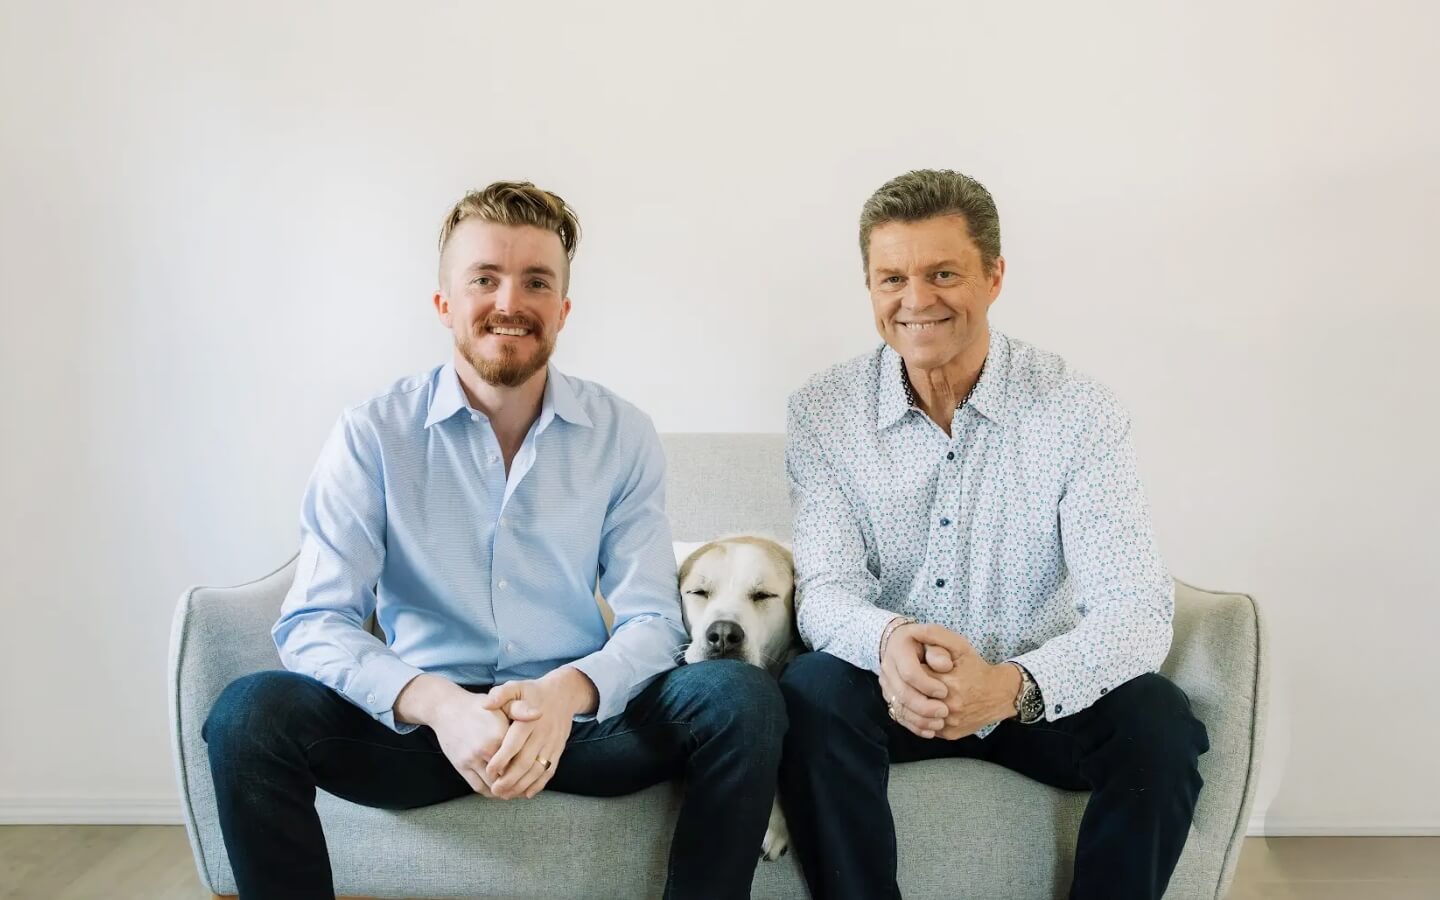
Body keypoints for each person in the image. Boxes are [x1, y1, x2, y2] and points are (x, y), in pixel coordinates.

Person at [203, 181, 785, 899]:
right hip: (417, 728)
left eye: (535, 281)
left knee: (739, 698)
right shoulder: (372, 433)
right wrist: (442, 706)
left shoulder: (622, 433)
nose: (510, 302)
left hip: (576, 724)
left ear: (563, 310)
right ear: (444, 301)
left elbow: (653, 621)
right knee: (245, 714)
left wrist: (560, 697)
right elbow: (313, 621)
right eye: (485, 278)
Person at [778, 169, 1209, 900]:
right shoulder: (824, 410)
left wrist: (1011, 687)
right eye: (892, 279)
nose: (915, 301)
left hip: (1035, 691)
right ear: (870, 286)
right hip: (895, 691)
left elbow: (1136, 610)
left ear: (994, 276)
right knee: (813, 692)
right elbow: (824, 591)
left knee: (1159, 725)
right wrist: (889, 643)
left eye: (943, 273)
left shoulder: (1079, 411)